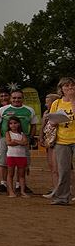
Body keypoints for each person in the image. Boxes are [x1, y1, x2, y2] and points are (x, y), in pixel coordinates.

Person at [0, 89, 38, 195]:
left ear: (23, 99)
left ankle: (19, 185)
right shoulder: (3, 109)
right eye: (14, 98)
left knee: (23, 162)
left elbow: (34, 125)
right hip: (6, 138)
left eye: (19, 98)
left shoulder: (29, 110)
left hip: (23, 139)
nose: (16, 100)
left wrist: (29, 138)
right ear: (11, 98)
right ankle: (3, 184)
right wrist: (0, 137)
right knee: (3, 161)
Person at [48, 77, 75, 205]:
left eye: (72, 85)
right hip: (62, 140)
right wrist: (54, 121)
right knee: (64, 170)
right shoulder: (57, 103)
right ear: (61, 89)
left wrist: (73, 99)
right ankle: (62, 198)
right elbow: (52, 120)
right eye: (66, 86)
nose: (70, 88)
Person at [38, 93, 60, 196]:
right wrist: (41, 137)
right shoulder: (47, 112)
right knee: (52, 167)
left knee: (59, 168)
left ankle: (67, 188)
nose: (46, 104)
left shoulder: (59, 112)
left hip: (59, 141)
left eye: (47, 102)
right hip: (49, 141)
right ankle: (56, 188)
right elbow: (42, 126)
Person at [5, 116, 30, 197]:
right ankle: (11, 191)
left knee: (21, 174)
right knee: (10, 174)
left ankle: (22, 191)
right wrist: (20, 142)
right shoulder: (8, 133)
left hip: (21, 156)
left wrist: (15, 141)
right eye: (11, 123)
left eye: (15, 123)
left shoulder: (22, 134)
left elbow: (25, 142)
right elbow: (8, 143)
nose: (13, 125)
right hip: (11, 155)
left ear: (19, 124)